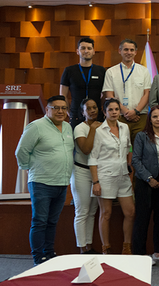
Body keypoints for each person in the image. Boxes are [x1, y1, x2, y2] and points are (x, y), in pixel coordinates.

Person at [16, 95, 74, 265]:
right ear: (47, 109)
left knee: (52, 221)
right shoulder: (36, 127)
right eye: (56, 108)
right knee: (40, 221)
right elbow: (21, 151)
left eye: (64, 108)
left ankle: (49, 254)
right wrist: (30, 169)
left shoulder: (68, 127)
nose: (60, 111)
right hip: (41, 182)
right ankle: (38, 258)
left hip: (62, 183)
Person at [89, 98, 135, 255]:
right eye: (111, 110)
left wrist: (129, 167)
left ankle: (126, 247)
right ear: (104, 112)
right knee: (106, 213)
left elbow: (129, 148)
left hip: (123, 176)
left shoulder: (125, 127)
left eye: (116, 109)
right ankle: (106, 248)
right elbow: (93, 158)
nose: (114, 112)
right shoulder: (99, 131)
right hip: (105, 176)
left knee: (130, 212)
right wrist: (95, 182)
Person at [131, 105, 159, 264]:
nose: (158, 119)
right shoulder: (142, 136)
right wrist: (149, 178)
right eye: (155, 116)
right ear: (150, 118)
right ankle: (139, 255)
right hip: (145, 181)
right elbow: (135, 160)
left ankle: (158, 252)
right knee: (142, 218)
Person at [71, 99, 102, 256]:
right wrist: (93, 130)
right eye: (88, 109)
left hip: (96, 173)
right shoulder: (80, 128)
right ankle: (82, 248)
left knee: (92, 212)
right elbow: (85, 149)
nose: (92, 110)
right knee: (82, 211)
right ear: (82, 112)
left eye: (94, 107)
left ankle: (89, 246)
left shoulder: (101, 125)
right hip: (81, 172)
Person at [102, 39, 151, 138]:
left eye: (132, 50)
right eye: (126, 50)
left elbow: (147, 94)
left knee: (139, 149)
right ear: (120, 51)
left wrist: (136, 111)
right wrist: (126, 112)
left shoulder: (144, 71)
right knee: (119, 148)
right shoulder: (111, 72)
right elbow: (109, 96)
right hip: (118, 116)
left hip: (140, 117)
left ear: (136, 52)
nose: (129, 52)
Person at [61, 37, 106, 127]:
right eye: (83, 48)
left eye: (89, 48)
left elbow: (105, 94)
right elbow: (63, 95)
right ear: (77, 51)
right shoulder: (69, 70)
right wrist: (70, 112)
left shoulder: (101, 70)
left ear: (94, 51)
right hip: (76, 115)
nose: (86, 51)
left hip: (97, 115)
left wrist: (100, 109)